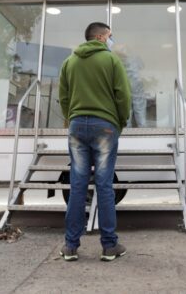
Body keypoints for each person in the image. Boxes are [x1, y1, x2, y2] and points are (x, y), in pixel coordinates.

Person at [58, 22, 131, 261]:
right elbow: (123, 94)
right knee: (104, 185)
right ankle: (109, 246)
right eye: (110, 36)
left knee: (77, 186)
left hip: (77, 125)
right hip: (105, 126)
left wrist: (72, 118)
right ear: (100, 37)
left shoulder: (70, 62)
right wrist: (120, 122)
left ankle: (70, 246)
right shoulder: (111, 60)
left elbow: (64, 97)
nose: (112, 40)